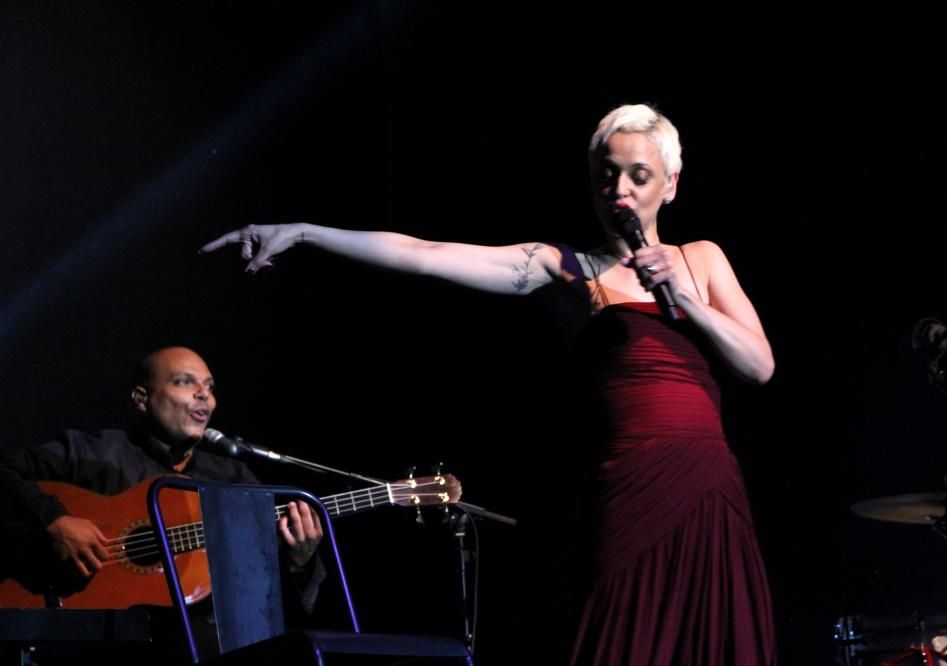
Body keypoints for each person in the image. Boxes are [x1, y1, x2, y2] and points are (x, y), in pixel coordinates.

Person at [201, 103, 776, 665]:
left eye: (638, 175)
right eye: (607, 175)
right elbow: (426, 254)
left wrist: (683, 298)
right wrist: (305, 232)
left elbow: (758, 365)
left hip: (708, 483)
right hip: (631, 485)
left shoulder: (701, 260)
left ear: (669, 185)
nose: (619, 189)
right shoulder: (566, 268)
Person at [0, 346, 325, 660]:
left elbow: (263, 600)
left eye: (210, 387)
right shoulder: (90, 453)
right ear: (142, 398)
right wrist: (53, 521)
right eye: (185, 382)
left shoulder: (233, 480)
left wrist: (299, 562)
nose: (204, 394)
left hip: (204, 652)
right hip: (94, 644)